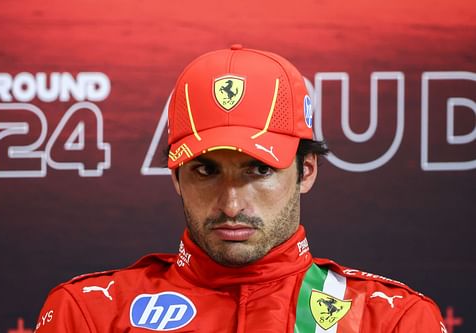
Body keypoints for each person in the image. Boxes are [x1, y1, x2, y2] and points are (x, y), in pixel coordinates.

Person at [35, 45, 444, 332]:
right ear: (175, 177)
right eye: (206, 171)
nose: (231, 204)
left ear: (306, 171)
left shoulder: (392, 321)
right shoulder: (90, 315)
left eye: (259, 170)